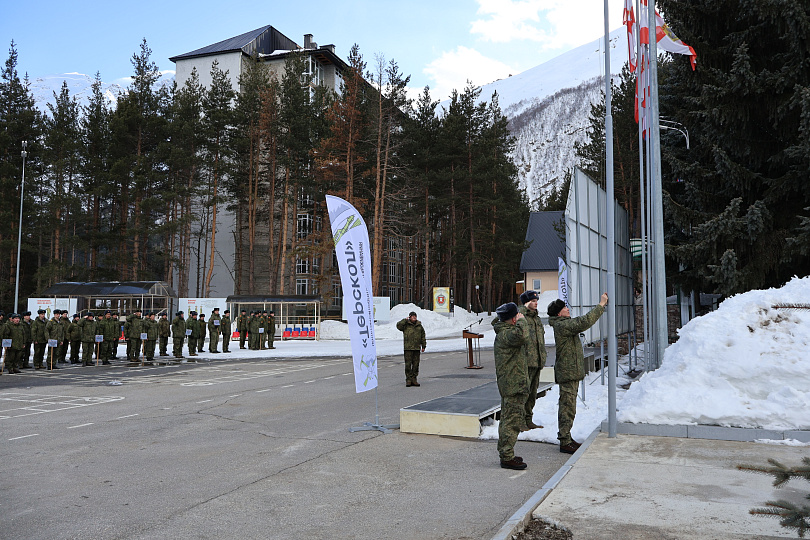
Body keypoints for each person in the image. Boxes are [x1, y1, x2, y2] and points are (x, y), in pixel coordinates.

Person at [548, 293, 608, 454]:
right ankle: (564, 440)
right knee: (567, 407)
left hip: (570, 373)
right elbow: (584, 321)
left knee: (569, 407)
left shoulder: (563, 323)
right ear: (559, 313)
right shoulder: (562, 326)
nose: (567, 309)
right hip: (567, 373)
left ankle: (566, 437)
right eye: (564, 308)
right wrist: (601, 305)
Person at [492, 302, 529, 470]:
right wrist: (522, 321)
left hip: (513, 383)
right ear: (513, 319)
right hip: (513, 384)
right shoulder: (506, 334)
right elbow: (522, 336)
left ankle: (506, 453)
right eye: (517, 316)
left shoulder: (505, 331)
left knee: (510, 419)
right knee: (511, 421)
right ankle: (507, 456)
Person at [518, 290, 546, 431]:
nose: (536, 303)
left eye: (536, 301)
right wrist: (523, 308)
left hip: (537, 361)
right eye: (533, 301)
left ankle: (528, 419)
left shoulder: (536, 318)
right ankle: (520, 421)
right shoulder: (521, 316)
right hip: (526, 362)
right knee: (523, 393)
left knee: (533, 394)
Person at [396, 311, 426, 387]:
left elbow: (423, 336)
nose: (414, 317)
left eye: (415, 316)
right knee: (408, 365)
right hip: (408, 348)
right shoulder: (406, 325)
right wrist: (405, 320)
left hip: (416, 348)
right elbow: (398, 326)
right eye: (412, 316)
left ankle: (414, 379)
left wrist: (423, 346)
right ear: (409, 317)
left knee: (416, 365)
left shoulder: (419, 326)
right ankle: (408, 380)